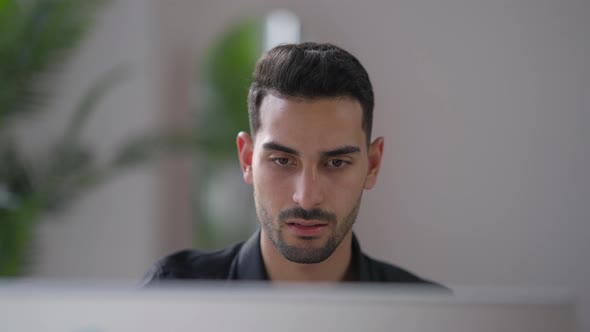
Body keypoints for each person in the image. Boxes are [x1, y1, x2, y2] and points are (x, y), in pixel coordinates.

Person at [144, 42, 440, 285]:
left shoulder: (432, 317)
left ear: (372, 165)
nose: (307, 198)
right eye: (283, 160)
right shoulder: (172, 293)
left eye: (336, 162)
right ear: (247, 159)